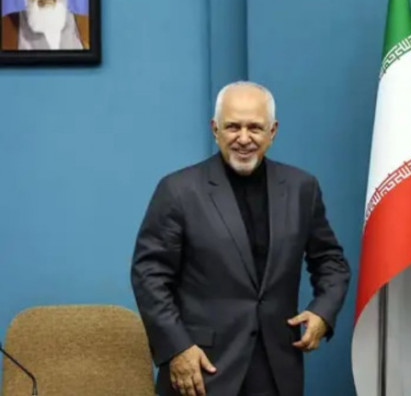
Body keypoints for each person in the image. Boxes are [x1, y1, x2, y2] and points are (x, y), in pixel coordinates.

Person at [131, 82, 351, 396]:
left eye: (255, 128)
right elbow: (149, 275)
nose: (244, 138)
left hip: (277, 369)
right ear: (215, 129)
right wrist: (176, 348)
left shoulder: (303, 188)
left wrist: (323, 312)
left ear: (272, 132)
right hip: (200, 368)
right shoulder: (178, 190)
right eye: (233, 126)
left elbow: (330, 261)